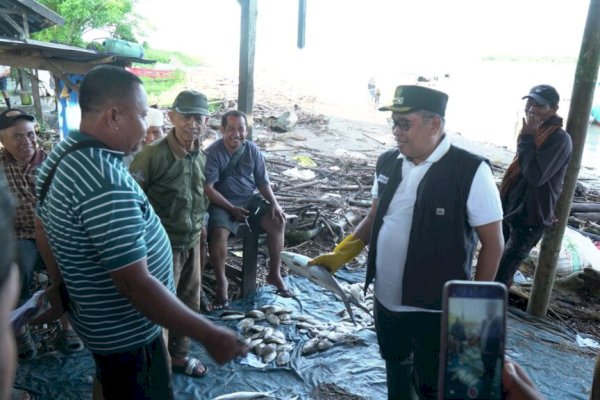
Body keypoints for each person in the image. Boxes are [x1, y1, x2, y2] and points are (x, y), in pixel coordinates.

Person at [34, 65, 247, 400]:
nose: (149, 126)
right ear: (114, 116)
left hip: (98, 321)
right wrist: (210, 333)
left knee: (109, 380)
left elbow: (42, 222)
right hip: (127, 332)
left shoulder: (64, 153)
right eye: (143, 115)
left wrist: (62, 281)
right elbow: (134, 283)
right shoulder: (105, 182)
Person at [310, 85, 504, 399]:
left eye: (405, 124)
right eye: (394, 124)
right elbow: (374, 218)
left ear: (435, 125)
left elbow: (493, 243)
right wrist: (342, 253)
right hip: (386, 300)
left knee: (432, 383)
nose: (396, 133)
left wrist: (474, 308)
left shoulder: (469, 170)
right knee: (395, 368)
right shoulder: (388, 162)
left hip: (435, 310)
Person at [129, 90, 211, 379]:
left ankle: (178, 356)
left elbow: (199, 195)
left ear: (206, 121)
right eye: (186, 116)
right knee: (161, 309)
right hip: (161, 247)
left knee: (189, 304)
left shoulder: (200, 154)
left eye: (199, 117)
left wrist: (200, 232)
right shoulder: (152, 155)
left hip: (191, 243)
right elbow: (133, 203)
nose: (193, 123)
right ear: (172, 117)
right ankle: (158, 365)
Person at [0, 109, 84, 359]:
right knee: (17, 268)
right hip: (20, 236)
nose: (26, 142)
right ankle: (19, 328)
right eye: (17, 136)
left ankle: (69, 323)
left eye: (30, 135)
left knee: (72, 267)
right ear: (3, 140)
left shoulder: (53, 164)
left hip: (54, 233)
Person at [204, 109, 290, 309]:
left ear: (246, 130)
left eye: (241, 129)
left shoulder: (252, 150)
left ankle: (274, 273)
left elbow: (262, 182)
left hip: (249, 200)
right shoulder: (213, 153)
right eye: (231, 129)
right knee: (218, 234)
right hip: (222, 202)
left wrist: (275, 204)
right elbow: (208, 189)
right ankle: (222, 281)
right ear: (222, 129)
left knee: (278, 221)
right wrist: (231, 208)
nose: (237, 133)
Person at [494, 85, 573, 289]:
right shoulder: (536, 132)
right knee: (492, 261)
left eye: (539, 106)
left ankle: (492, 314)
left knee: (503, 272)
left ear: (554, 108)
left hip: (530, 217)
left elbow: (535, 176)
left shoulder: (559, 139)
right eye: (530, 103)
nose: (532, 109)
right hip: (510, 207)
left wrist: (526, 137)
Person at [479, 301, 503, 395]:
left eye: (489, 308)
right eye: (486, 308)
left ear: (494, 309)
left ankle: (488, 387)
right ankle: (485, 376)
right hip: (483, 349)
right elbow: (481, 333)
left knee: (491, 369)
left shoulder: (499, 321)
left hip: (492, 351)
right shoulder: (484, 321)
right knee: (485, 365)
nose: (487, 310)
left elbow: (501, 336)